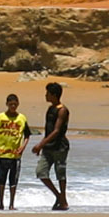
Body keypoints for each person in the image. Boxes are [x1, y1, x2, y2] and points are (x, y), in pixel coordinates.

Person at [33, 81, 70, 210]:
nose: (45, 95)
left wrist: (40, 144)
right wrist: (43, 145)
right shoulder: (50, 109)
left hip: (60, 147)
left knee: (60, 174)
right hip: (48, 147)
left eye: (47, 93)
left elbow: (56, 131)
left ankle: (63, 201)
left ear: (54, 95)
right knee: (41, 172)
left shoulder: (62, 110)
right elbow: (48, 130)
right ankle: (59, 197)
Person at [0, 93, 30, 210]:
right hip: (2, 154)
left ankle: (12, 204)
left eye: (15, 104)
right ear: (7, 104)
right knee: (1, 180)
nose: (13, 106)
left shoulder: (22, 118)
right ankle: (1, 204)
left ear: (18, 104)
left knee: (13, 181)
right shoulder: (0, 117)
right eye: (11, 104)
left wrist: (23, 147)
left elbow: (27, 135)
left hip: (15, 156)